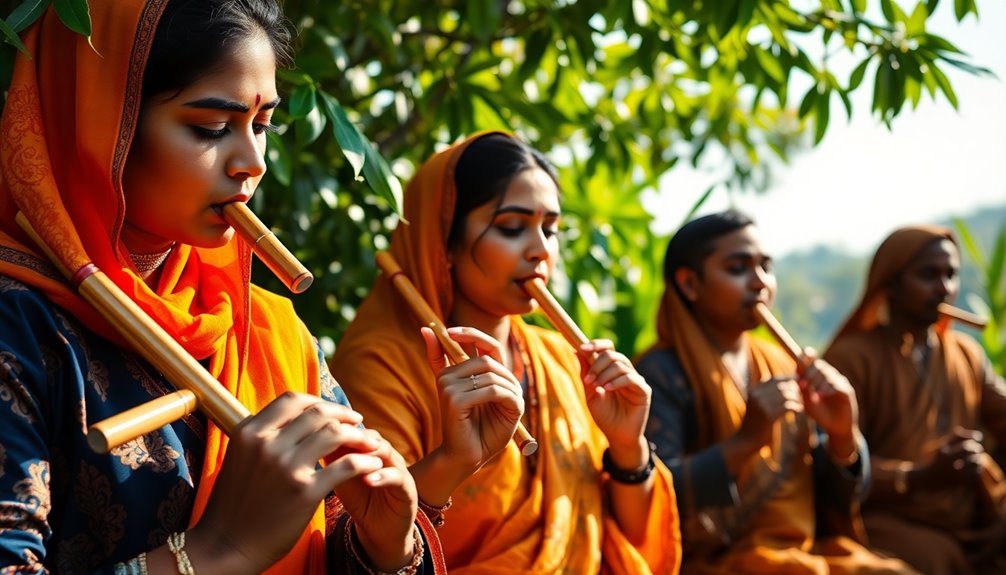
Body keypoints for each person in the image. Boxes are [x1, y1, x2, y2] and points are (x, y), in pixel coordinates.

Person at [0, 1, 445, 573]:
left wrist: (386, 545)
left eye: (262, 125)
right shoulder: (19, 323)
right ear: (97, 121)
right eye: (211, 127)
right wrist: (218, 551)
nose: (252, 162)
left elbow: (332, 534)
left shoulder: (267, 327)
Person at [329, 132, 681, 574]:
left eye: (550, 229)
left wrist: (630, 448)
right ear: (446, 242)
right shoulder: (381, 365)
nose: (540, 250)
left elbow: (633, 543)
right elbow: (360, 533)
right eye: (513, 228)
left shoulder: (562, 360)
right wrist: (453, 461)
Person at [635, 210, 916, 574]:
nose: (760, 282)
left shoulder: (782, 364)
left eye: (766, 267)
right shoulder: (660, 372)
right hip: (712, 561)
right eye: (738, 268)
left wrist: (843, 435)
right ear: (689, 284)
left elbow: (832, 497)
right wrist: (745, 442)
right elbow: (648, 493)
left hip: (801, 551)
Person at [824, 225, 1006, 575]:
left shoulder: (966, 353)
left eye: (951, 275)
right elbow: (833, 462)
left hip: (969, 513)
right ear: (890, 284)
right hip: (891, 518)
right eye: (928, 275)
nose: (945, 288)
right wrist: (918, 476)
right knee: (936, 562)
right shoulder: (853, 358)